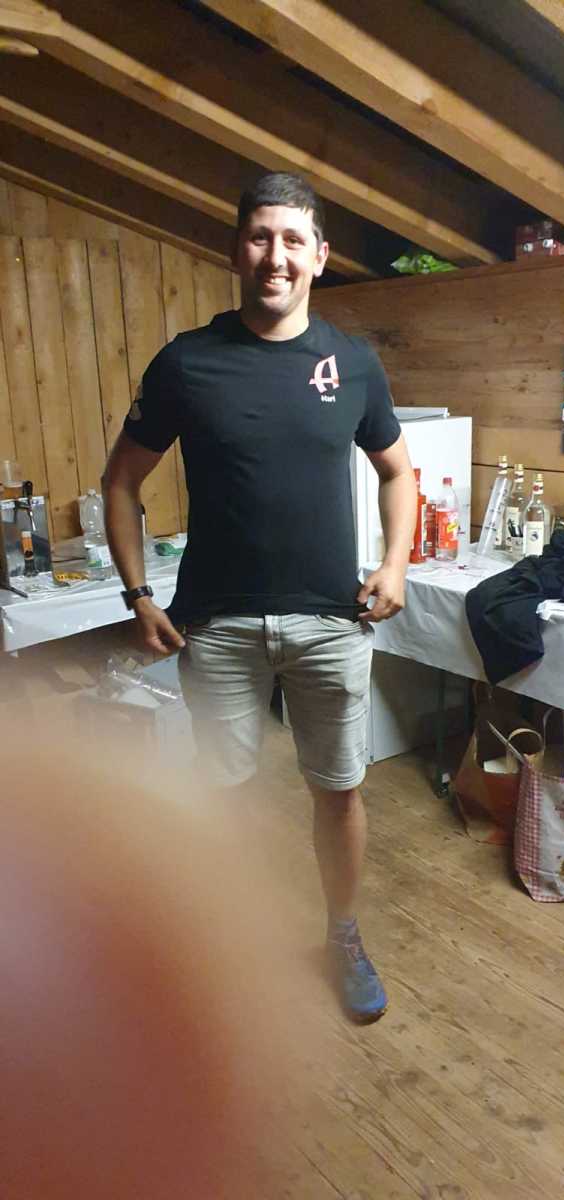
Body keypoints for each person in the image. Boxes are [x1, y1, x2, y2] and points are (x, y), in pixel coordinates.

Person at [102, 172, 417, 1024]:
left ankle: (341, 934)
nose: (276, 256)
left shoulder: (353, 364)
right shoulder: (186, 362)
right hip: (218, 627)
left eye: (292, 240)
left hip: (332, 621)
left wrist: (395, 565)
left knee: (338, 790)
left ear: (319, 256)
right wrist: (138, 594)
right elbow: (121, 481)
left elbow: (398, 472)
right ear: (237, 250)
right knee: (226, 795)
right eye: (259, 237)